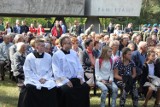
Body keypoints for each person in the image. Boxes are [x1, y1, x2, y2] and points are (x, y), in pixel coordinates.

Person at [52, 35, 93, 107]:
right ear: (63, 44)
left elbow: (79, 67)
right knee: (67, 90)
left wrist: (80, 77)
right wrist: (65, 80)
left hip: (76, 78)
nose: (71, 44)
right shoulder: (56, 55)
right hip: (64, 80)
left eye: (70, 42)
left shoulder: (74, 53)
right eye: (69, 43)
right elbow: (56, 70)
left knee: (85, 87)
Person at [18, 39, 57, 107]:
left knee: (53, 87)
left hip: (46, 79)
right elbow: (27, 70)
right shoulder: (30, 57)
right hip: (33, 79)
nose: (43, 48)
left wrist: (45, 78)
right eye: (41, 46)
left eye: (44, 46)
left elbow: (51, 70)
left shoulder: (48, 56)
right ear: (36, 47)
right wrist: (38, 79)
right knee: (29, 88)